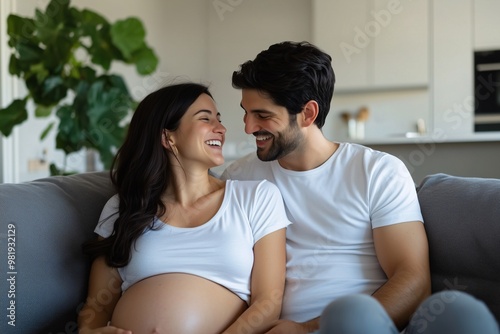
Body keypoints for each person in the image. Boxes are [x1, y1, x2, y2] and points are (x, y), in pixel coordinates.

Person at [222, 41, 500, 334]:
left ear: (308, 114)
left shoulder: (377, 171)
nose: (248, 127)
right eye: (246, 112)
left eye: (263, 115)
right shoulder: (238, 179)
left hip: (372, 324)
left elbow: (413, 280)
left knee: (456, 309)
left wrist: (309, 328)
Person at [77, 82, 292, 334]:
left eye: (219, 119)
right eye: (205, 119)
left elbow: (268, 301)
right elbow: (97, 306)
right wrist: (88, 332)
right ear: (168, 137)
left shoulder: (256, 197)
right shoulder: (124, 208)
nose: (221, 129)